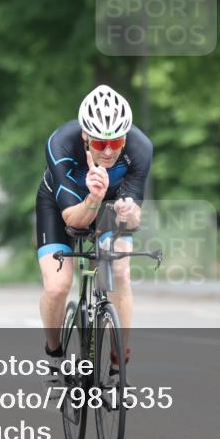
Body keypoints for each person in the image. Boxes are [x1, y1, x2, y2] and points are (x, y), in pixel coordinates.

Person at [36, 84, 153, 370]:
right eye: (101, 144)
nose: (110, 151)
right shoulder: (61, 143)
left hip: (109, 207)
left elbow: (135, 217)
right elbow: (73, 221)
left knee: (120, 271)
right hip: (62, 206)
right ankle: (53, 356)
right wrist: (95, 196)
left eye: (117, 142)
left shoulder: (141, 147)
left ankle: (118, 362)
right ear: (86, 136)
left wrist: (128, 214)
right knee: (57, 287)